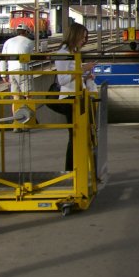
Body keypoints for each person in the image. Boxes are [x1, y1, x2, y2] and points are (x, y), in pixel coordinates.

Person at [55, 22, 96, 170]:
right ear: (75, 35)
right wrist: (83, 69)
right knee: (76, 137)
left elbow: (73, 77)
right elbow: (63, 80)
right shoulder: (63, 54)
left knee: (81, 136)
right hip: (70, 99)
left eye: (86, 37)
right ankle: (71, 171)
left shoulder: (72, 53)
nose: (84, 40)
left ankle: (78, 170)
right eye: (83, 37)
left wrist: (86, 76)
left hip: (78, 97)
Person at [1, 23, 35, 119]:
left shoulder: (8, 42)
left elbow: (3, 58)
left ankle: (16, 123)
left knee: (16, 98)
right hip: (22, 70)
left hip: (11, 71)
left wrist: (3, 74)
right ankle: (27, 121)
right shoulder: (29, 42)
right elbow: (31, 57)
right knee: (28, 96)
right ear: (26, 32)